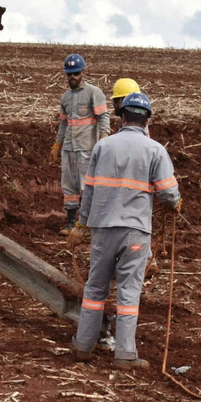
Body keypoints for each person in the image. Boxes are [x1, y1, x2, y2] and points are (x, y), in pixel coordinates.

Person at [68, 92, 181, 369]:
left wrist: (81, 226)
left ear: (122, 116)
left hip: (102, 230)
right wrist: (176, 202)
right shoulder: (155, 150)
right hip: (135, 232)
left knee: (94, 289)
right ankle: (125, 355)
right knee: (128, 294)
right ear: (147, 120)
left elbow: (89, 191)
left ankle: (83, 346)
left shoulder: (103, 147)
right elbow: (168, 192)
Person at [48, 53, 109, 234]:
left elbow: (103, 118)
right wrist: (56, 146)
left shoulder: (94, 93)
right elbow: (63, 124)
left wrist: (103, 142)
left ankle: (89, 226)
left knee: (86, 187)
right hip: (69, 149)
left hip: (86, 149)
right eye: (69, 74)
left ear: (82, 72)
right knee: (69, 186)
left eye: (75, 73)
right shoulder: (66, 97)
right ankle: (70, 223)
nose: (72, 77)